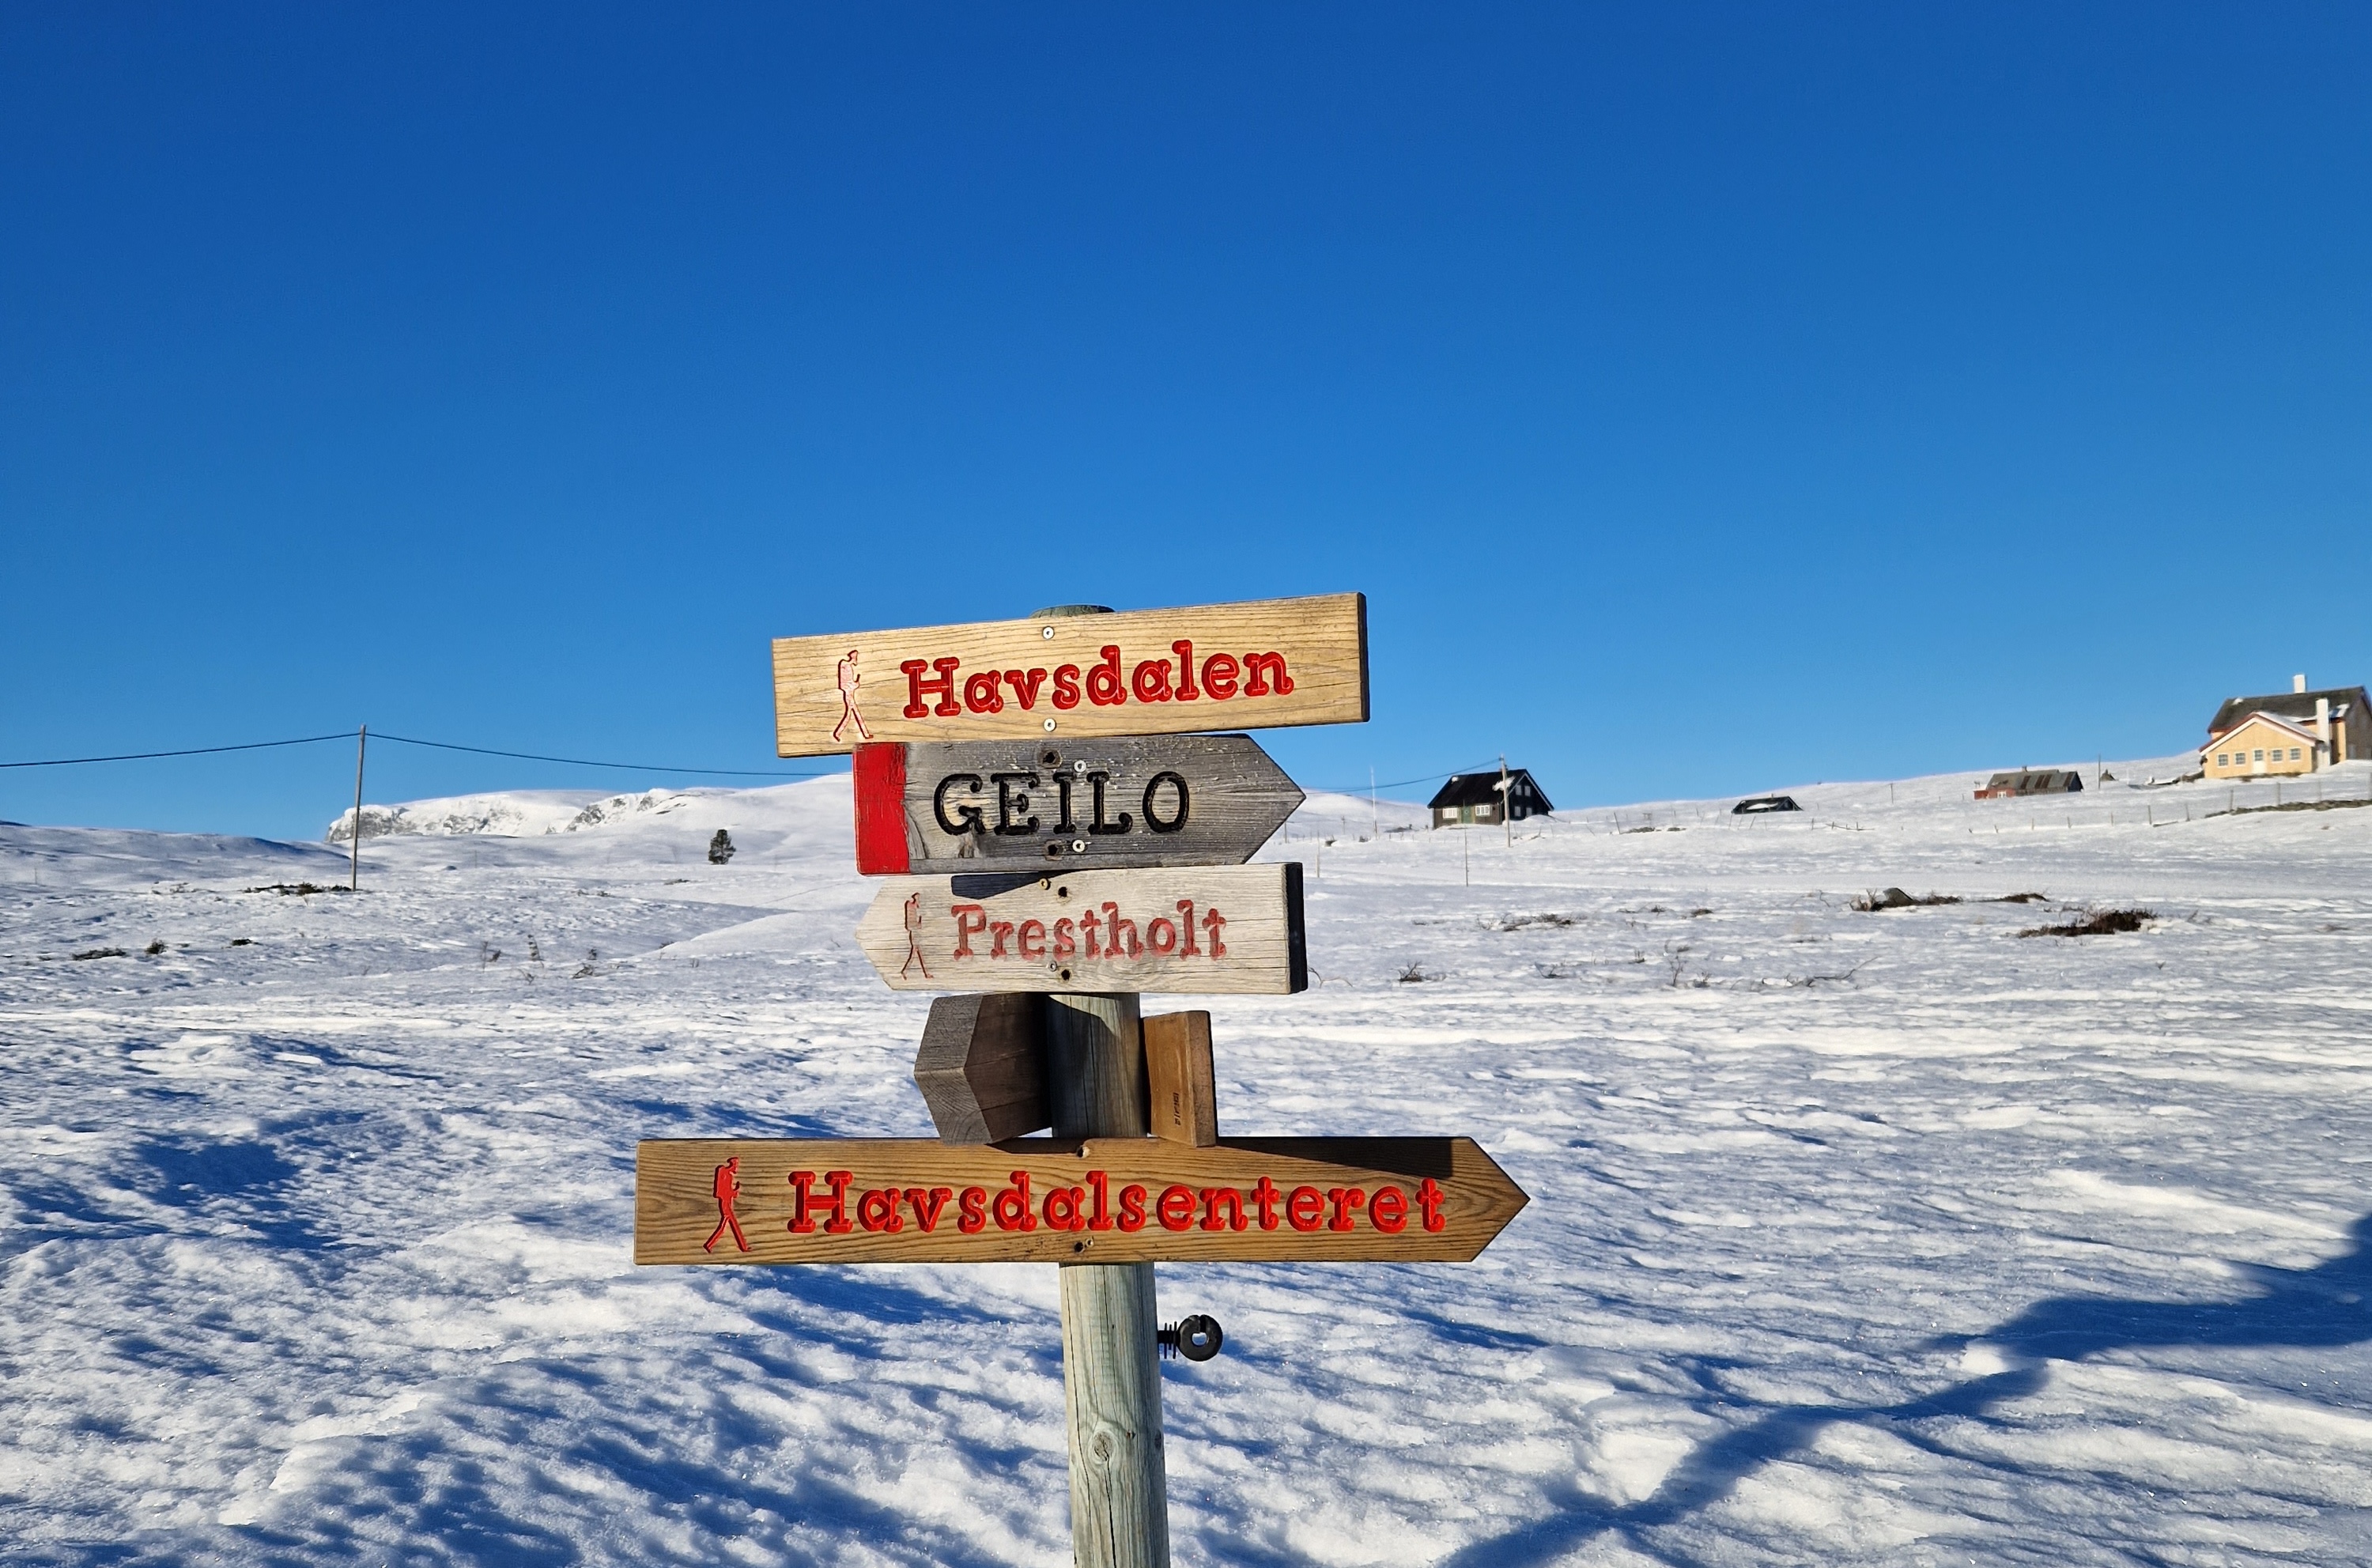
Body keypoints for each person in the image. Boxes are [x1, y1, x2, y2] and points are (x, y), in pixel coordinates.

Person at [705, 1156, 749, 1253]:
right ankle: (743, 1247)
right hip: (725, 1202)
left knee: (724, 1225)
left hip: (728, 1201)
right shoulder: (723, 1172)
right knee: (731, 1223)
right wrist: (733, 1192)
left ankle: (709, 1244)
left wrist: (734, 1191)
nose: (735, 1169)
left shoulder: (728, 1175)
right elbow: (720, 1191)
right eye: (735, 1166)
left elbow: (727, 1190)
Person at [833, 649, 872, 743]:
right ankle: (838, 733)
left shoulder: (848, 666)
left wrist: (856, 683)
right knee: (850, 714)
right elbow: (845, 682)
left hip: (850, 692)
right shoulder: (844, 664)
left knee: (852, 714)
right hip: (848, 693)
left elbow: (850, 681)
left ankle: (865, 734)